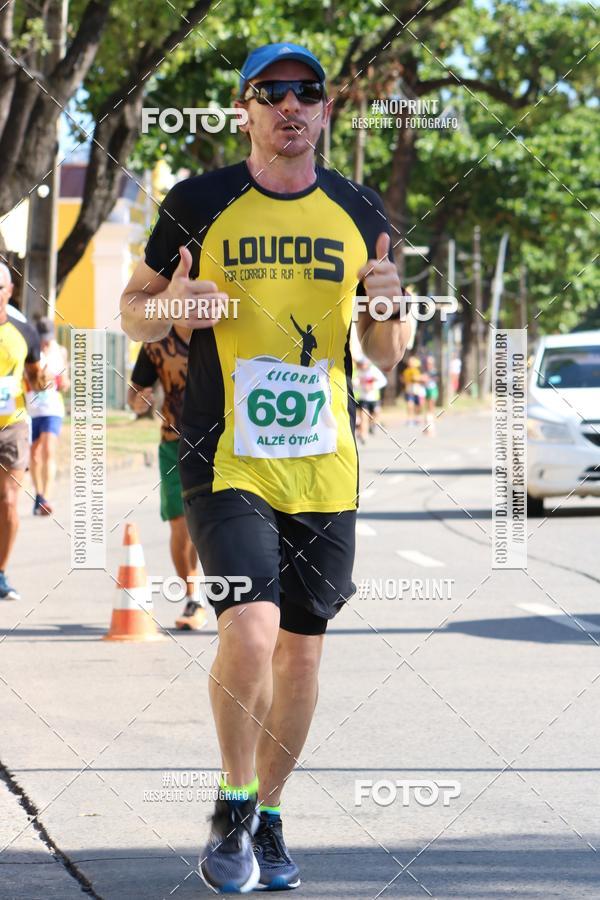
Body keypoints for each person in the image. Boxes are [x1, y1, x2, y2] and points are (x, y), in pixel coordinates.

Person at [119, 41, 409, 894]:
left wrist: (389, 310)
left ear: (325, 111)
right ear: (245, 109)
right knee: (248, 629)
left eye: (306, 93)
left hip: (325, 464)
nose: (291, 106)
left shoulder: (361, 209)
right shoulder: (198, 202)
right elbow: (132, 311)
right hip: (225, 455)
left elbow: (388, 355)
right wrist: (175, 304)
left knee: (302, 658)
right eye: (271, 93)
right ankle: (232, 805)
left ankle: (270, 813)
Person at [127, 325, 207, 631]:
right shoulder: (156, 343)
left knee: (204, 523)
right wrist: (140, 402)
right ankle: (193, 598)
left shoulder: (222, 331)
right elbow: (135, 395)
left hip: (220, 444)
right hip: (173, 441)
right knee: (179, 521)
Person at [0, 263, 51, 601]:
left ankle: (1, 572)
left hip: (12, 425)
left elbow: (35, 380)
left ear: (9, 292)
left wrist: (42, 379)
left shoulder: (24, 332)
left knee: (8, 502)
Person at [26, 318, 69, 515]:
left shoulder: (60, 352)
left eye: (47, 339)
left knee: (48, 450)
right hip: (32, 409)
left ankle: (45, 499)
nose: (44, 343)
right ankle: (38, 493)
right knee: (34, 454)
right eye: (41, 339)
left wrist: (55, 380)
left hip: (52, 409)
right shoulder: (30, 351)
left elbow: (66, 384)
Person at [353, 356, 387, 443]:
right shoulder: (357, 372)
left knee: (376, 414)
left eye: (364, 364)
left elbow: (383, 381)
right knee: (364, 416)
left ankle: (373, 425)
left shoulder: (374, 371)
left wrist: (372, 386)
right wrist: (359, 385)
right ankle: (364, 435)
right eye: (361, 364)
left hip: (374, 398)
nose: (362, 366)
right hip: (363, 398)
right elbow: (354, 384)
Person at [402, 354, 424, 425]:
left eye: (412, 362)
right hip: (409, 390)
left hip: (417, 390)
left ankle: (417, 417)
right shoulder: (406, 371)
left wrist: (418, 378)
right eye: (410, 362)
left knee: (418, 405)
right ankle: (410, 419)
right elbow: (405, 380)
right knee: (410, 405)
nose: (411, 363)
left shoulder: (417, 370)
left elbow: (420, 378)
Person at [422, 353, 439, 436]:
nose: (428, 365)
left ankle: (431, 428)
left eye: (430, 363)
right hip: (426, 390)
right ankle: (427, 427)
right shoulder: (425, 371)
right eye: (427, 363)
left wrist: (426, 379)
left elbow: (434, 379)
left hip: (432, 390)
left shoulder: (433, 372)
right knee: (427, 409)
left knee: (431, 409)